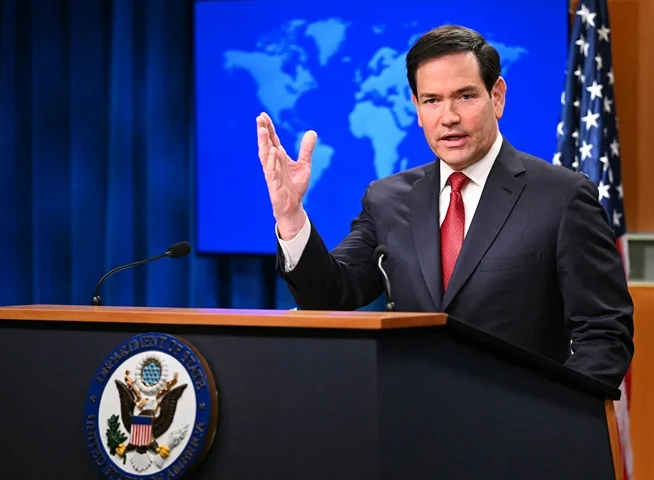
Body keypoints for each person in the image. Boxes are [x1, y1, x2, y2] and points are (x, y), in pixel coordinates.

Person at [255, 25, 633, 388]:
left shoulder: (562, 197)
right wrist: (290, 216)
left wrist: (557, 413)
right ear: (417, 109)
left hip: (522, 434)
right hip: (413, 430)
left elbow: (604, 331)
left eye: (465, 96)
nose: (448, 117)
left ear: (497, 97)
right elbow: (330, 296)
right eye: (432, 100)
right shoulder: (387, 199)